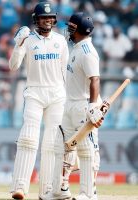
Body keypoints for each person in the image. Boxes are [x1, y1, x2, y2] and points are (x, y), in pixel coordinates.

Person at [9, 1, 69, 199]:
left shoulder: (60, 41)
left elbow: (65, 71)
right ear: (36, 20)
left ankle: (47, 191)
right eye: (44, 18)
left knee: (52, 143)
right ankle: (20, 187)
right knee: (28, 138)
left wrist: (67, 96)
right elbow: (13, 66)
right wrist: (17, 45)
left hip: (57, 94)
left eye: (50, 17)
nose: (48, 21)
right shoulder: (27, 40)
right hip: (34, 92)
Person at [41, 12, 104, 200]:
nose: (69, 29)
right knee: (62, 147)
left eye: (72, 26)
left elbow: (95, 79)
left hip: (84, 105)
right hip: (70, 103)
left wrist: (93, 107)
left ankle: (89, 194)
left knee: (87, 150)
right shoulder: (76, 47)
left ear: (80, 29)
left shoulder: (88, 52)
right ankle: (60, 190)